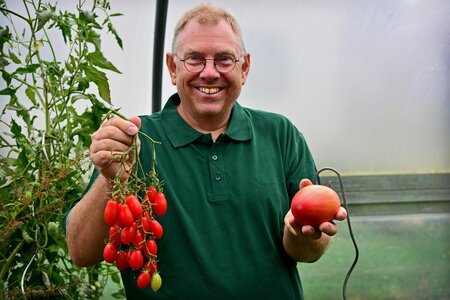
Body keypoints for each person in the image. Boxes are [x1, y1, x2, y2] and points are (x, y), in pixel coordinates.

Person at [63, 3, 347, 299]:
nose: (209, 73)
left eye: (224, 60)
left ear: (244, 68)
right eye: (194, 59)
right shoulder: (136, 142)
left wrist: (300, 233)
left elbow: (309, 251)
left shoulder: (280, 134)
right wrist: (111, 180)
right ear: (173, 68)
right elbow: (81, 252)